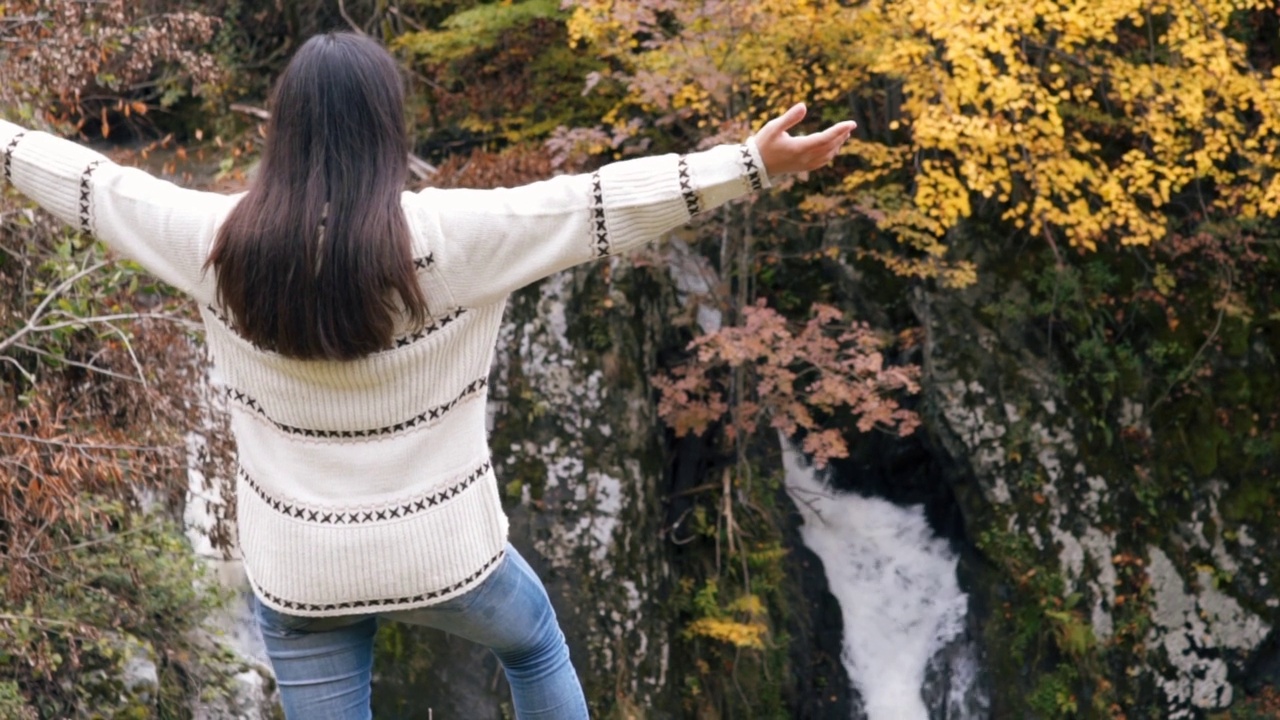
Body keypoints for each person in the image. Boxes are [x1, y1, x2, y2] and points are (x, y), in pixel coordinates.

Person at [0, 32, 855, 720]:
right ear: (388, 127)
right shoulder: (454, 235)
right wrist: (749, 165)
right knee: (535, 647)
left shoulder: (216, 241)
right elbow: (597, 204)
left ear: (282, 130)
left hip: (301, 566)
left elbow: (93, 185)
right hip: (449, 553)